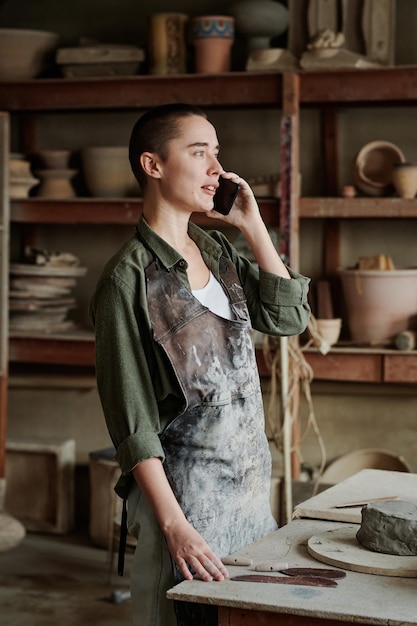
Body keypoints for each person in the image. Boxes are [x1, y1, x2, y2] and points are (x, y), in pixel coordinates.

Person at [90, 103, 311, 626]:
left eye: (217, 153)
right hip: (189, 507)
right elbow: (134, 425)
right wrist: (175, 527)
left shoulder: (215, 249)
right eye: (199, 153)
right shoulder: (127, 280)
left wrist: (254, 226)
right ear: (153, 165)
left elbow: (289, 319)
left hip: (252, 493)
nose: (218, 169)